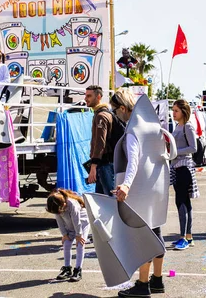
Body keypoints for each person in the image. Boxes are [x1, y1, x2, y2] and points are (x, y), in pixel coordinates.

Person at [112, 89, 169, 297]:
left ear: (122, 108)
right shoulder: (153, 125)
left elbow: (133, 160)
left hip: (140, 186)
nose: (116, 116)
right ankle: (158, 280)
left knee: (142, 235)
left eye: (116, 112)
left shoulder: (133, 128)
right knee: (156, 231)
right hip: (157, 183)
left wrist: (126, 185)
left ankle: (143, 285)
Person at [170, 99, 199, 251]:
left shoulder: (187, 126)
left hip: (184, 167)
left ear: (183, 111)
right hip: (177, 166)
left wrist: (175, 152)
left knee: (182, 202)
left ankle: (183, 237)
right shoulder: (177, 126)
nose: (173, 113)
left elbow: (193, 147)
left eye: (176, 111)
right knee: (183, 202)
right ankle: (188, 236)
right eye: (173, 110)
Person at [46, 189, 90, 282]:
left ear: (64, 204)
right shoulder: (57, 207)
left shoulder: (72, 204)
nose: (59, 213)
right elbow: (60, 221)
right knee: (66, 244)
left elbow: (77, 221)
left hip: (82, 224)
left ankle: (78, 270)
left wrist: (79, 235)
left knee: (80, 245)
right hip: (70, 225)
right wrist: (64, 234)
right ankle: (67, 269)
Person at [85, 85, 115, 196]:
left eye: (89, 96)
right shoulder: (101, 113)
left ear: (98, 97)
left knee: (109, 197)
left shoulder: (101, 116)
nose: (85, 98)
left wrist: (94, 166)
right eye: (86, 95)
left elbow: (100, 143)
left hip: (104, 164)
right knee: (101, 199)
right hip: (105, 163)